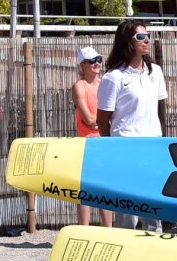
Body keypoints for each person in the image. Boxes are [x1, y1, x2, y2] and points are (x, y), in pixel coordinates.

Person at [97, 20, 168, 232]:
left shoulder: (155, 72)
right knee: (127, 212)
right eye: (140, 37)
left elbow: (160, 110)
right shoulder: (113, 78)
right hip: (125, 148)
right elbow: (102, 121)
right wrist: (114, 149)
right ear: (127, 41)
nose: (147, 40)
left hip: (152, 147)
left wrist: (161, 141)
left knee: (154, 209)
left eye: (147, 35)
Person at [71, 46, 112, 228]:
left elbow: (111, 117)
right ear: (82, 65)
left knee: (105, 187)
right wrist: (103, 120)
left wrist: (101, 121)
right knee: (86, 189)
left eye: (98, 59)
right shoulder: (79, 86)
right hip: (87, 143)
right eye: (92, 60)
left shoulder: (105, 84)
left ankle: (108, 231)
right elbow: (88, 119)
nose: (97, 63)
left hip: (103, 140)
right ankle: (84, 231)